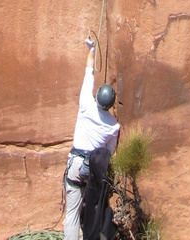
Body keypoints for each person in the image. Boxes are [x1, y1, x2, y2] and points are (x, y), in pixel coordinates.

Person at [64, 39, 120, 240]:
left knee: (72, 213)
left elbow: (89, 73)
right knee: (93, 210)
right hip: (94, 171)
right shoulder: (113, 126)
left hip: (76, 165)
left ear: (97, 97)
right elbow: (109, 151)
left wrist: (92, 49)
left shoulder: (86, 105)